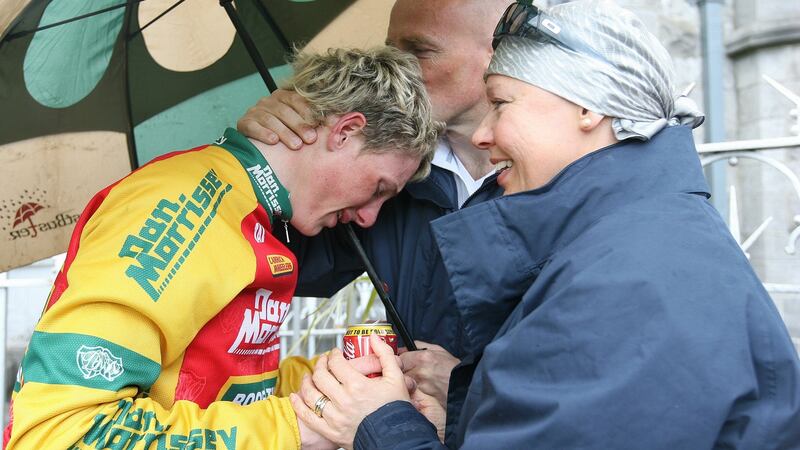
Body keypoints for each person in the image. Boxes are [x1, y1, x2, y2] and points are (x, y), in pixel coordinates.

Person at [290, 1, 800, 449]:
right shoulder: (629, 246)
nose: (486, 133)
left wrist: (378, 423)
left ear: (587, 107)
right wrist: (468, 398)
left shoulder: (628, 283)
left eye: (503, 103)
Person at [3, 46, 440, 450]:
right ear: (345, 131)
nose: (369, 218)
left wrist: (345, 384)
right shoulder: (180, 204)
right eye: (379, 188)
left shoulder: (256, 215)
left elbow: (219, 387)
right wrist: (301, 427)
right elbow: (60, 433)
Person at [237, 0, 510, 410]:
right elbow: (282, 266)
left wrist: (470, 386)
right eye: (390, 49)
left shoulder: (560, 175)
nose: (398, 66)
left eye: (419, 50)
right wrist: (278, 162)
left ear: (498, 51)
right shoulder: (387, 168)